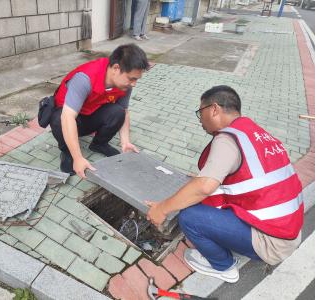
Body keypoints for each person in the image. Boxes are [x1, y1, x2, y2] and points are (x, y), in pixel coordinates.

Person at [146, 85, 303, 283]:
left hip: (272, 243)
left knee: (189, 216)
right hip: (289, 231)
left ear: (213, 109)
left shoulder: (227, 139)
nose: (200, 120)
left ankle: (223, 266)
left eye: (200, 112)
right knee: (198, 198)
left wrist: (162, 208)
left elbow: (204, 187)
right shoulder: (255, 133)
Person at [50, 44, 149, 178]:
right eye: (132, 78)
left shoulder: (124, 85)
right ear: (116, 68)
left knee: (118, 111)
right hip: (70, 118)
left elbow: (125, 111)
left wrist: (125, 141)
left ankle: (99, 144)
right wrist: (78, 158)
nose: (134, 84)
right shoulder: (85, 78)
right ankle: (68, 153)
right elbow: (67, 117)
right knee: (58, 119)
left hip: (90, 114)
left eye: (136, 79)